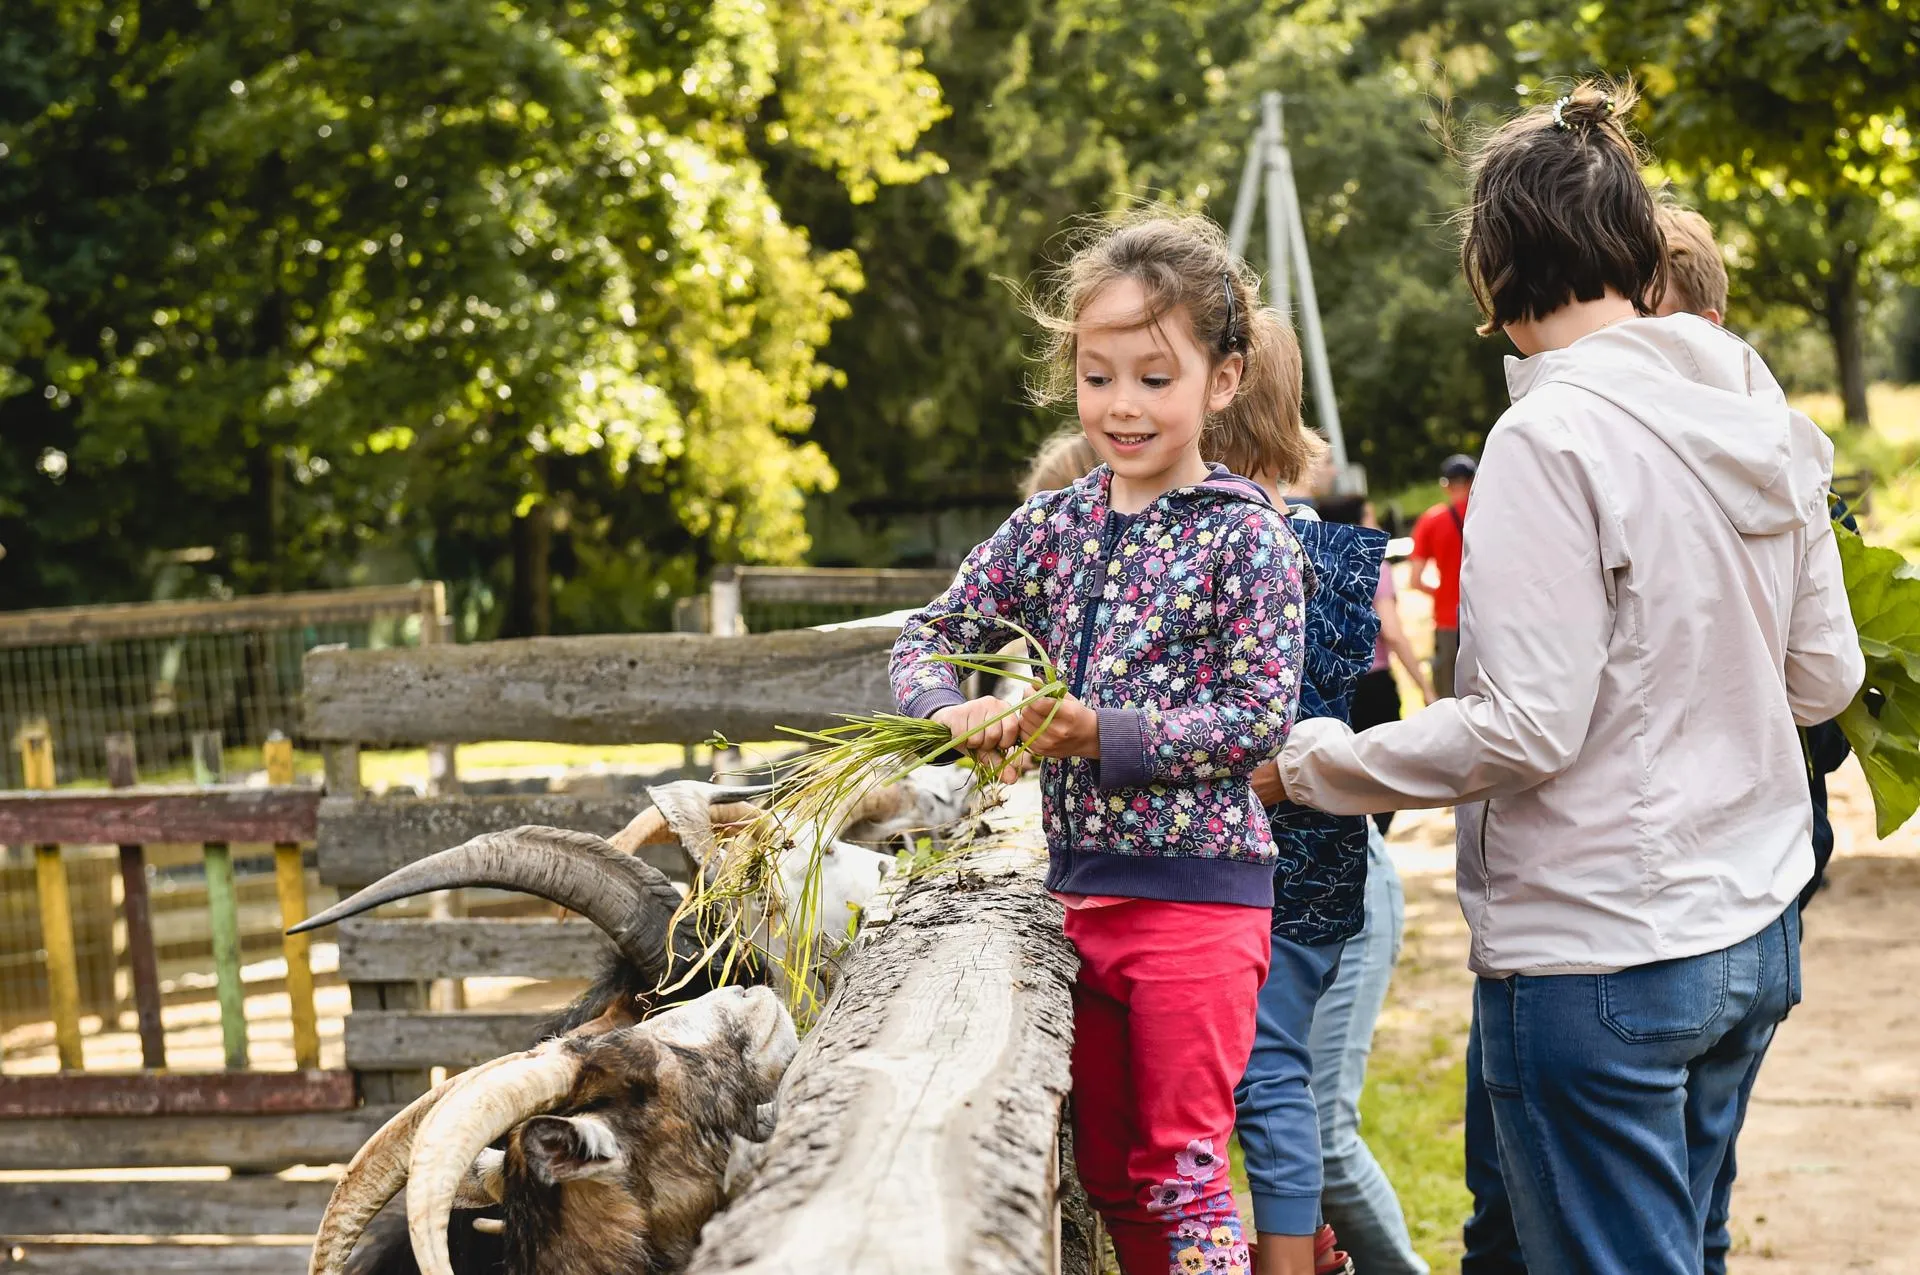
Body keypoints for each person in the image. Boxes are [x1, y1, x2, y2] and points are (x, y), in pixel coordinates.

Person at [1275, 79, 1863, 1275]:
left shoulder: (1549, 438)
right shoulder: (1753, 400)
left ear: (1491, 274)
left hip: (1604, 951)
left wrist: (1319, 767)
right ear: (1640, 251)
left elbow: (1529, 728)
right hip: (1750, 930)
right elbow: (1825, 677)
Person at [890, 211, 1315, 1275]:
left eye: (1154, 378)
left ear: (1222, 382)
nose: (1121, 405)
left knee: (1181, 1170)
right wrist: (951, 709)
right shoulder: (1051, 527)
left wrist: (1098, 734)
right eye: (1097, 375)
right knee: (1116, 1174)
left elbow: (1258, 718)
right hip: (1077, 901)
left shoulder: (1245, 533)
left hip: (1197, 903)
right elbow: (932, 632)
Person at [1214, 370, 1385, 1275]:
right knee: (1258, 1068)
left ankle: (1286, 1260)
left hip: (1289, 850)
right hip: (1302, 848)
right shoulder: (1315, 546)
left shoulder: (1275, 552)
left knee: (1269, 1066)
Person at [1323, 497, 1433, 836]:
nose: (1379, 527)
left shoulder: (1315, 560)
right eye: (1371, 517)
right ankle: (1376, 846)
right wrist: (1425, 687)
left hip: (1329, 687)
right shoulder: (1372, 566)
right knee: (1384, 780)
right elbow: (1394, 633)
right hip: (1373, 684)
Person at [1405, 456, 1475, 699]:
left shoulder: (1432, 520)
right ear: (1475, 480)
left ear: (1445, 485)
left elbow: (1415, 579)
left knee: (1450, 696)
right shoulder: (1493, 514)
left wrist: (1444, 592)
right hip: (1490, 615)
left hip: (1449, 618)